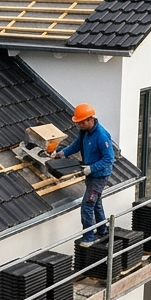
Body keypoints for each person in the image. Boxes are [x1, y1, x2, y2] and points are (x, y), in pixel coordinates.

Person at [53, 103, 116, 243]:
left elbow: (109, 159)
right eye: (78, 123)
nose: (79, 125)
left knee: (87, 205)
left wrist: (92, 168)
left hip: (99, 175)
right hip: (91, 174)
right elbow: (76, 145)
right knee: (96, 202)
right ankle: (102, 230)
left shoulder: (101, 136)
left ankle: (88, 238)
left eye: (81, 123)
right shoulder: (84, 132)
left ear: (90, 119)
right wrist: (61, 153)